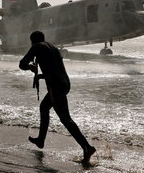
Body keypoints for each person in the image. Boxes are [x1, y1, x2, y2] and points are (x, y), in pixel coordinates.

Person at [19, 31, 96, 164]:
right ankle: (41, 140)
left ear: (32, 41)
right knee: (44, 107)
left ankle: (87, 148)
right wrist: (41, 76)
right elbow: (54, 69)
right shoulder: (52, 47)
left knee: (66, 119)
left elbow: (22, 64)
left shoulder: (37, 47)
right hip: (64, 83)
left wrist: (31, 67)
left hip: (56, 86)